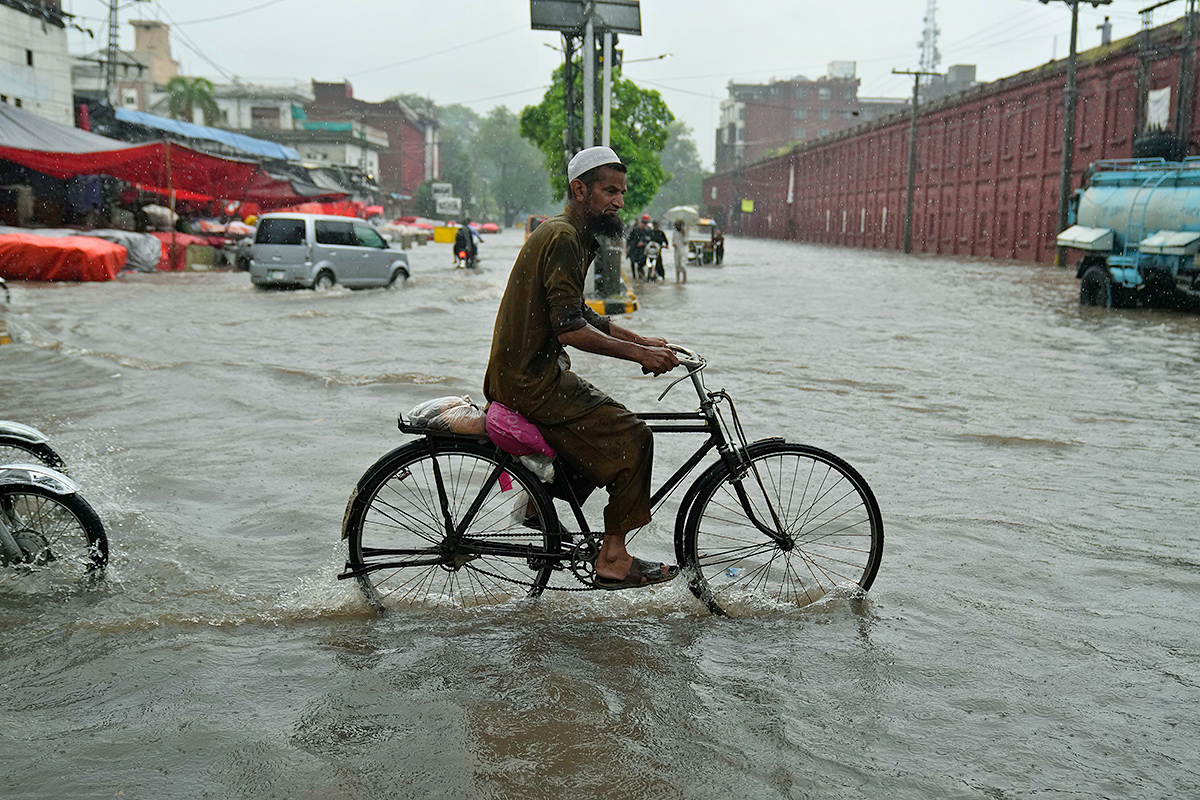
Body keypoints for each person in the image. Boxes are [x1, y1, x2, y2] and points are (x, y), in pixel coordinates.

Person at [483, 146, 681, 590]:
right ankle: (613, 557)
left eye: (621, 192)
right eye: (609, 191)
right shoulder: (565, 237)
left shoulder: (566, 233)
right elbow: (570, 329)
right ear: (579, 190)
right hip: (532, 381)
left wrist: (637, 338)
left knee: (596, 432)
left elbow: (578, 311)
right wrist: (641, 357)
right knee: (632, 435)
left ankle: (538, 507)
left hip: (522, 375)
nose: (619, 201)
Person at [626, 213, 650, 280]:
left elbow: (648, 239)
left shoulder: (646, 231)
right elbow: (629, 238)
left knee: (641, 262)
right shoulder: (634, 229)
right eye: (643, 223)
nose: (643, 225)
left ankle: (640, 274)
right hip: (633, 248)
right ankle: (634, 276)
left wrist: (643, 243)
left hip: (641, 249)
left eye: (645, 223)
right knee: (633, 262)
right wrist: (627, 247)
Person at [672, 219, 688, 284]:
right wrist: (673, 244)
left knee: (682, 265)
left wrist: (684, 234)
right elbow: (673, 240)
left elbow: (686, 241)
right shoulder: (675, 232)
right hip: (676, 250)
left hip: (683, 250)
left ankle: (684, 279)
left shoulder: (685, 232)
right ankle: (677, 280)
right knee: (677, 265)